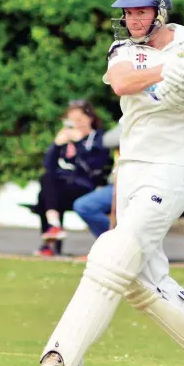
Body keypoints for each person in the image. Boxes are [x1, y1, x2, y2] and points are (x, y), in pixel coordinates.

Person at [24, 0, 184, 366]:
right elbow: (123, 82)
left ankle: (60, 358)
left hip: (173, 167)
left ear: (159, 11)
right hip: (133, 169)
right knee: (143, 280)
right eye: (127, 12)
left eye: (140, 11)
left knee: (114, 252)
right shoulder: (122, 48)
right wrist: (168, 71)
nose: (132, 18)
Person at [34, 99, 112, 257]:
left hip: (87, 185)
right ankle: (54, 228)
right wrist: (56, 145)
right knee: (47, 186)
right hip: (63, 186)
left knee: (46, 193)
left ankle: (50, 241)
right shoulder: (65, 139)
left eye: (80, 120)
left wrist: (79, 145)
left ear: (90, 118)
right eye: (72, 121)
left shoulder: (98, 138)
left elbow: (93, 168)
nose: (75, 125)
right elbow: (48, 166)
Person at [72, 125, 121, 240]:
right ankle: (112, 241)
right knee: (84, 206)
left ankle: (119, 241)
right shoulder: (131, 117)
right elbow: (107, 140)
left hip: (142, 184)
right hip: (116, 184)